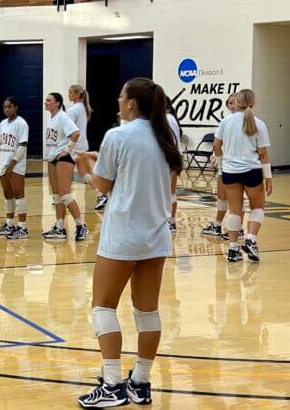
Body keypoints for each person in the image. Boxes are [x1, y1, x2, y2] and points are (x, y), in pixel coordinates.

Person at [77, 78, 183, 409]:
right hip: (156, 235)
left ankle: (112, 385)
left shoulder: (118, 135)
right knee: (147, 311)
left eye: (121, 96)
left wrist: (88, 165)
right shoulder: (168, 134)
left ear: (132, 103)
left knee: (102, 307)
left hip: (123, 235)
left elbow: (103, 185)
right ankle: (141, 382)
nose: (118, 101)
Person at [214, 89, 272, 263]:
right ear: (253, 103)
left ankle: (233, 249)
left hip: (230, 172)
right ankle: (251, 239)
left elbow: (217, 146)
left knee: (234, 211)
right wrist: (268, 177)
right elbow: (263, 154)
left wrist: (221, 165)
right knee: (257, 207)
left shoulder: (226, 121)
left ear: (236, 102)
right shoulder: (259, 124)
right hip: (252, 171)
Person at [43, 92, 88, 241]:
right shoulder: (52, 118)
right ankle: (60, 227)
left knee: (64, 194)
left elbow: (75, 133)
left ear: (57, 103)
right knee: (56, 196)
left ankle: (81, 226)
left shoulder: (63, 116)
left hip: (64, 158)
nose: (46, 102)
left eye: (49, 100)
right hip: (52, 158)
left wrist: (67, 150)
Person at [0, 97, 29, 240]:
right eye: (5, 107)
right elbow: (1, 146)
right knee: (8, 196)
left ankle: (23, 227)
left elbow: (22, 146)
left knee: (19, 195)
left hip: (16, 165)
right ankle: (9, 225)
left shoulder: (21, 123)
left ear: (16, 107)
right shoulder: (2, 124)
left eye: (9, 106)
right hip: (3, 164)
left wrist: (11, 166)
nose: (7, 109)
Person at [202, 93, 239, 238]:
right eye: (230, 103)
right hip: (224, 164)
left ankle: (238, 229)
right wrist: (215, 157)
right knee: (222, 196)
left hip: (236, 166)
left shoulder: (249, 121)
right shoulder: (226, 120)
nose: (232, 105)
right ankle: (217, 225)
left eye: (235, 102)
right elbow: (219, 143)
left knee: (235, 199)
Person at [66, 85, 101, 208]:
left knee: (65, 171)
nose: (68, 95)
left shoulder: (73, 110)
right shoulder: (83, 108)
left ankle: (63, 195)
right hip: (82, 144)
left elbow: (68, 130)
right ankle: (100, 194)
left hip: (75, 146)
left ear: (76, 95)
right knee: (83, 173)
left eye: (70, 93)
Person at [166, 98, 182, 233]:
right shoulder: (169, 118)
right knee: (168, 192)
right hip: (171, 158)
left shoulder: (167, 118)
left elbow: (171, 142)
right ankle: (169, 221)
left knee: (170, 192)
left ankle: (171, 221)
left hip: (169, 159)